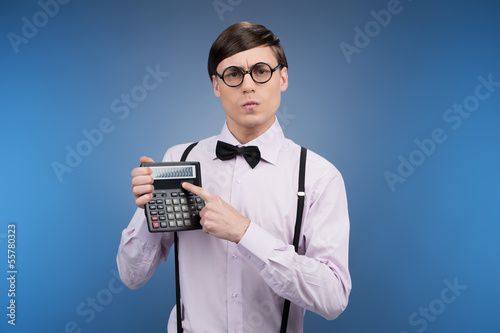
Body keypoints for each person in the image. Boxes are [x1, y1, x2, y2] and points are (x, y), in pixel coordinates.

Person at [117, 21, 351, 333]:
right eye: (233, 74)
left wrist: (246, 233)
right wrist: (149, 210)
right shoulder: (179, 160)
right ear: (216, 85)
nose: (248, 85)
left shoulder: (318, 177)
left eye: (261, 71)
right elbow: (132, 276)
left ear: (282, 77)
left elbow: (333, 298)